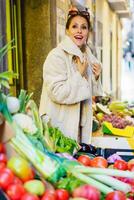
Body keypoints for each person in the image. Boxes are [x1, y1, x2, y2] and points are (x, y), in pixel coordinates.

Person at [39, 8, 103, 144]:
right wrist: (79, 74)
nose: (79, 31)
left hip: (78, 130)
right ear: (67, 31)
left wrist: (95, 78)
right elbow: (57, 93)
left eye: (84, 27)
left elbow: (86, 93)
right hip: (59, 129)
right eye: (74, 26)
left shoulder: (87, 56)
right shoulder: (56, 56)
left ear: (88, 33)